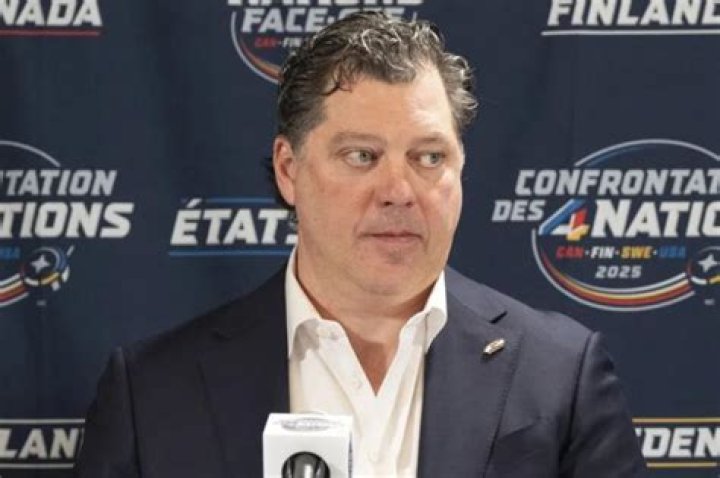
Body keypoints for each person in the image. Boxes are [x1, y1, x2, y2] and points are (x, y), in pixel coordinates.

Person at [76, 12, 647, 478]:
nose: (399, 190)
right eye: (361, 156)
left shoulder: (560, 374)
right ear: (289, 169)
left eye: (429, 157)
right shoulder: (152, 393)